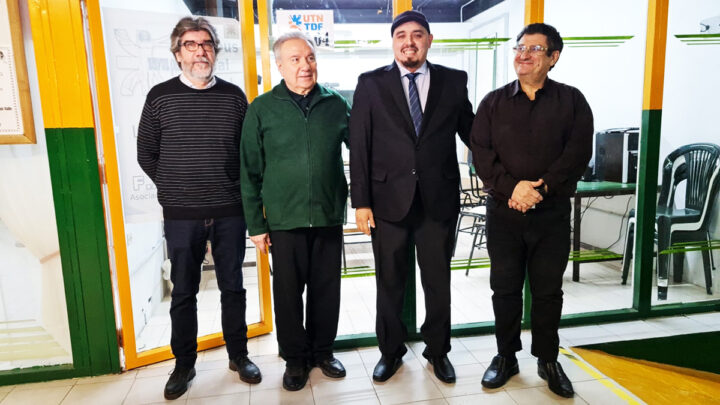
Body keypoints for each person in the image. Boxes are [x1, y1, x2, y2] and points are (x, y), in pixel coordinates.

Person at [137, 16, 261, 400]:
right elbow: (147, 154)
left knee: (233, 286)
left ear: (215, 51)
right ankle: (184, 363)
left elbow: (246, 154)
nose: (199, 51)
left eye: (206, 44)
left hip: (229, 209)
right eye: (190, 45)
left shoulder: (234, 97)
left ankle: (238, 356)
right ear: (177, 54)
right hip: (181, 213)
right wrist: (179, 188)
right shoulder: (159, 97)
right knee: (185, 291)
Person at [349, 10, 474, 384]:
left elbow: (471, 132)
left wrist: (503, 171)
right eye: (401, 35)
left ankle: (439, 351)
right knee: (390, 281)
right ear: (393, 42)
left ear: (429, 40)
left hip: (438, 200)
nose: (409, 41)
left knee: (438, 281)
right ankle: (391, 351)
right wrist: (361, 202)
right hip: (387, 203)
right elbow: (359, 145)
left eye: (417, 34)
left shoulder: (453, 81)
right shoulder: (370, 84)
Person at [471, 23, 593, 398]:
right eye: (519, 47)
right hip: (504, 214)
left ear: (554, 58)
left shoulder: (572, 101)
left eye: (534, 49)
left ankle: (547, 359)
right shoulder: (493, 102)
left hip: (550, 215)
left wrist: (540, 189)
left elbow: (577, 153)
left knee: (547, 291)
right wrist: (514, 188)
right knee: (504, 289)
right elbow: (481, 154)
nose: (523, 54)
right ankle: (505, 356)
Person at [240, 31, 350, 391]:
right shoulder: (262, 108)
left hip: (328, 215)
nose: (305, 66)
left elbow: (365, 152)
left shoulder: (335, 104)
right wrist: (256, 224)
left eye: (310, 58)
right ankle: (295, 359)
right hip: (284, 220)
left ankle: (322, 351)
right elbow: (250, 171)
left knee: (326, 290)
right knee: (288, 295)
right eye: (295, 60)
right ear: (279, 65)